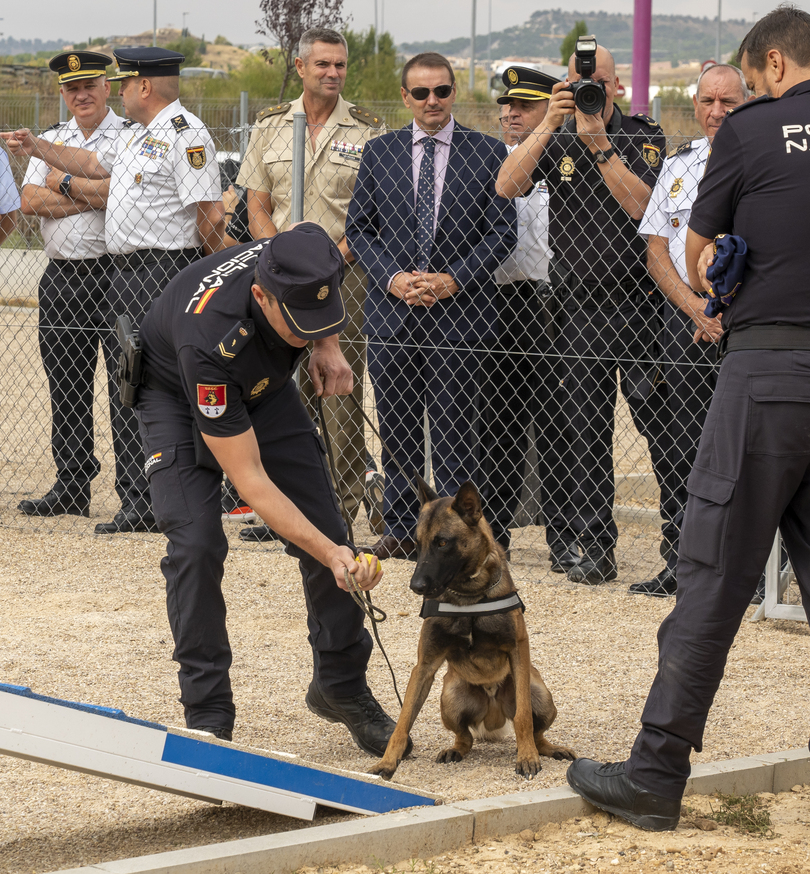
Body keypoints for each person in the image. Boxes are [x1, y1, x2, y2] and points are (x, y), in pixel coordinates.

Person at [564, 7, 810, 851]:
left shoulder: (753, 135)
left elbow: (697, 259)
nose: (749, 91)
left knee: (712, 575)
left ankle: (655, 775)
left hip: (771, 376)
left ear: (770, 62)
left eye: (752, 78)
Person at [135, 222, 393, 751]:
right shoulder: (209, 339)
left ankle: (340, 685)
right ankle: (208, 716)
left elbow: (320, 294)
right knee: (197, 543)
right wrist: (332, 555)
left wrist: (326, 343)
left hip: (261, 385)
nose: (306, 331)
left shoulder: (305, 251)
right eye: (300, 323)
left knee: (325, 524)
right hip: (177, 394)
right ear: (260, 295)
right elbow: (249, 479)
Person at [1, 47, 224, 535]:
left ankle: (147, 496)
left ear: (142, 87)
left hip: (159, 272)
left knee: (141, 386)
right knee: (114, 381)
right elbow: (83, 170)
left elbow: (209, 217)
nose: (116, 91)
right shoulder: (142, 136)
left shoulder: (185, 134)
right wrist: (37, 148)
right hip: (118, 274)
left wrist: (209, 275)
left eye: (119, 83)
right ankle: (113, 492)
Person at [495, 39, 672, 585]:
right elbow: (506, 186)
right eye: (575, 87)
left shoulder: (644, 137)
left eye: (597, 85)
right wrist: (550, 121)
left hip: (640, 305)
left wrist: (600, 145)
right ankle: (595, 549)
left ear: (617, 87)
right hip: (578, 308)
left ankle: (679, 552)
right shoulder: (556, 132)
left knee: (661, 431)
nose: (589, 94)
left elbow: (646, 208)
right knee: (584, 434)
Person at [346, 52, 515, 562]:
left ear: (453, 91)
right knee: (396, 431)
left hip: (459, 320)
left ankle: (458, 538)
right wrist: (393, 279)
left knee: (456, 436)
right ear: (405, 97)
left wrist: (454, 279)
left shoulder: (487, 154)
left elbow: (503, 232)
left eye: (441, 91)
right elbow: (360, 228)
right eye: (420, 93)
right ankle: (400, 530)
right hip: (393, 316)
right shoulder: (379, 153)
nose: (432, 101)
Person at [236, 27, 384, 543]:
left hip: (344, 279)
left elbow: (369, 217)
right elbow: (256, 205)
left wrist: (321, 267)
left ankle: (338, 513)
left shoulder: (368, 131)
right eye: (322, 64)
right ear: (300, 67)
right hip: (274, 285)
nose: (332, 73)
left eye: (340, 65)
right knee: (278, 389)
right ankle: (283, 511)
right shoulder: (271, 125)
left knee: (337, 392)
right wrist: (278, 264)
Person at [630, 61, 749, 597]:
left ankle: (748, 571)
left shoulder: (762, 162)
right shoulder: (677, 166)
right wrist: (696, 307)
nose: (717, 112)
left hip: (746, 326)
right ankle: (682, 560)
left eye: (729, 102)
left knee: (749, 448)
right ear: (695, 104)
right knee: (680, 446)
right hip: (685, 325)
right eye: (708, 101)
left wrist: (723, 309)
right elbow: (656, 248)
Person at [15, 51, 123, 519]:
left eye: (90, 85)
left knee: (128, 383)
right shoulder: (51, 140)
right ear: (63, 93)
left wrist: (63, 183)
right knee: (66, 383)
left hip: (116, 274)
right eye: (71, 88)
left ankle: (138, 489)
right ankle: (72, 483)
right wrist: (86, 192)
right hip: (61, 277)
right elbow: (29, 201)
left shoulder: (130, 138)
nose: (81, 95)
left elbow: (124, 192)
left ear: (108, 88)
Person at [480, 65, 571, 558]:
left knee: (558, 420)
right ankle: (498, 534)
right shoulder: (490, 158)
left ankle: (563, 537)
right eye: (507, 105)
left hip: (554, 300)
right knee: (500, 421)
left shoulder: (564, 156)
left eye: (525, 106)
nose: (511, 113)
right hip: (504, 300)